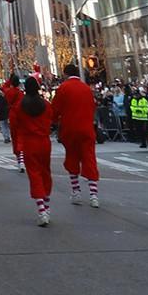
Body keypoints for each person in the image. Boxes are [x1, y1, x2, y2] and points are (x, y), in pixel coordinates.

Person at [52, 63, 100, 207]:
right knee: (89, 159)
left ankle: (76, 192)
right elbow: (93, 107)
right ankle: (94, 195)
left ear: (66, 74)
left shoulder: (63, 88)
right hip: (87, 129)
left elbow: (55, 109)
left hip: (70, 129)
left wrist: (54, 122)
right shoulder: (86, 89)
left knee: (72, 159)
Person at [12, 76, 54, 226]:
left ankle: (41, 210)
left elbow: (16, 124)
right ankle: (47, 207)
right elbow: (52, 119)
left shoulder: (20, 107)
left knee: (34, 175)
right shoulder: (46, 105)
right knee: (45, 173)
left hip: (30, 143)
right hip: (44, 142)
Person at [2, 74, 24, 172]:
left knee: (14, 137)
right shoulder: (21, 93)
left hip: (12, 115)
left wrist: (8, 80)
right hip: (21, 114)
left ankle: (19, 159)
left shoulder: (8, 92)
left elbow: (3, 87)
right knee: (21, 137)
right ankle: (22, 156)